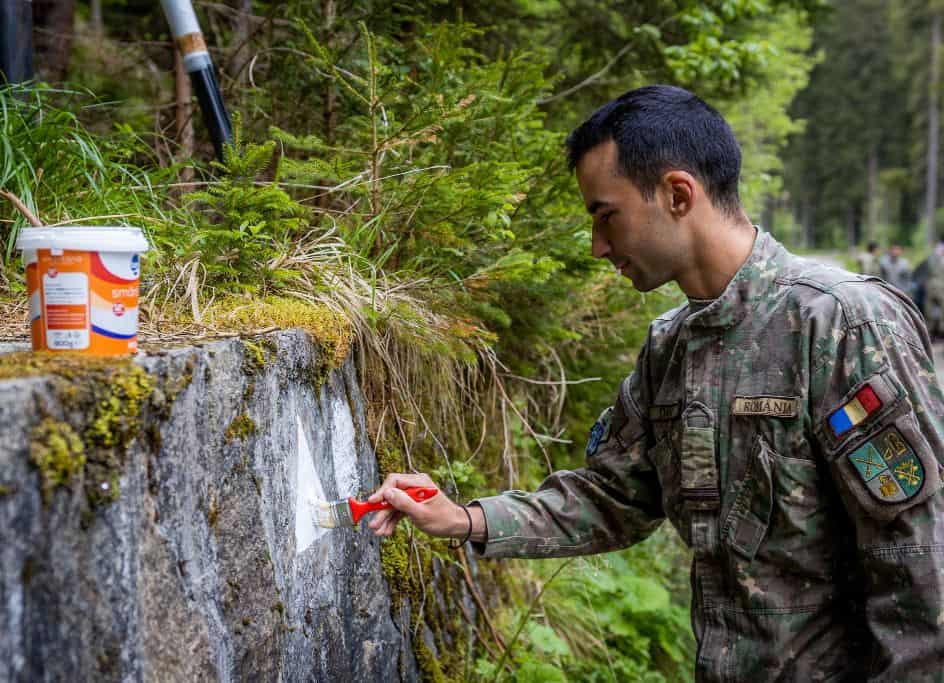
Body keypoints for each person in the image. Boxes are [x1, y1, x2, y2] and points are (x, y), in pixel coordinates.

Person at [366, 85, 944, 680]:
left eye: (605, 215)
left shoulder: (840, 323)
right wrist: (464, 519)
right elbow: (612, 496)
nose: (597, 247)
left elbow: (922, 568)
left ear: (677, 194)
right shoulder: (669, 349)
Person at [921, 237, 944, 338]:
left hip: (941, 289)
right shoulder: (931, 259)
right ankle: (929, 333)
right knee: (928, 312)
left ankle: (941, 331)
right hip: (930, 289)